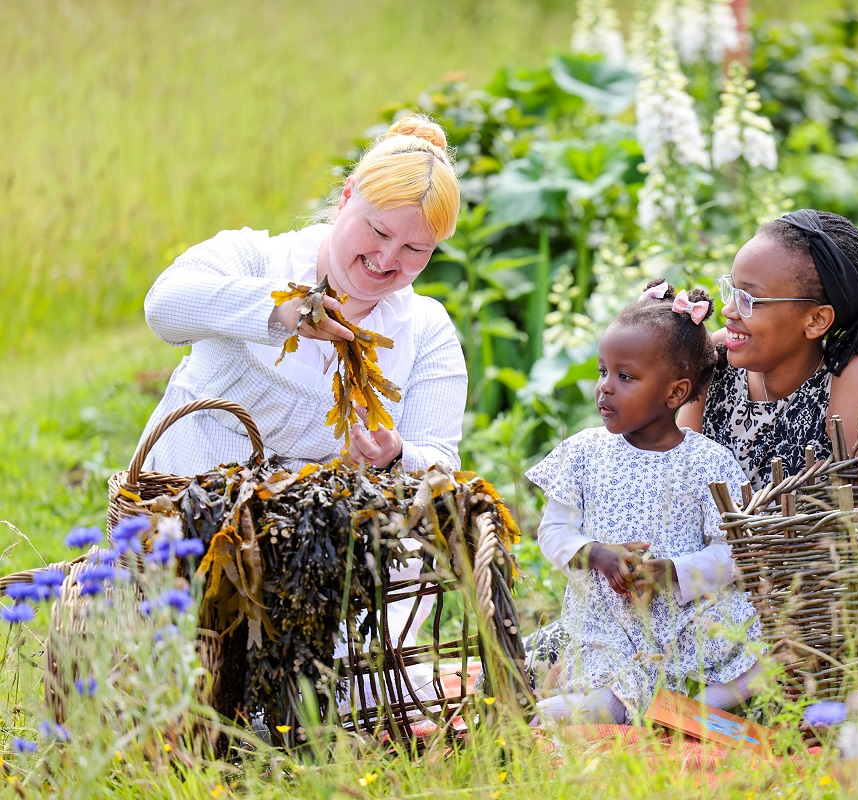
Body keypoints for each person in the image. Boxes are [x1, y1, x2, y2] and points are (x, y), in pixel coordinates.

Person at [138, 114, 466, 477]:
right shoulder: (255, 258)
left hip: (311, 529)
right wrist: (280, 308)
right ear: (346, 197)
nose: (387, 259)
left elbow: (441, 464)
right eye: (378, 231)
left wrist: (397, 455)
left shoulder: (425, 330)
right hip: (179, 509)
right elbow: (163, 306)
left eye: (415, 249)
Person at [527, 280, 762, 725]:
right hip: (609, 622)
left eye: (626, 376)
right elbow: (553, 531)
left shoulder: (707, 461)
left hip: (685, 620)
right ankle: (628, 707)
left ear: (675, 393)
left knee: (761, 651)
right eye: (603, 371)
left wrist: (673, 572)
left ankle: (697, 702)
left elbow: (733, 550)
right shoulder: (584, 452)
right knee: (613, 682)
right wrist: (596, 554)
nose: (605, 388)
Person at [677, 209, 858, 491]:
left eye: (749, 299)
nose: (728, 310)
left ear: (816, 320)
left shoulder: (850, 379)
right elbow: (681, 476)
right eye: (731, 290)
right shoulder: (717, 357)